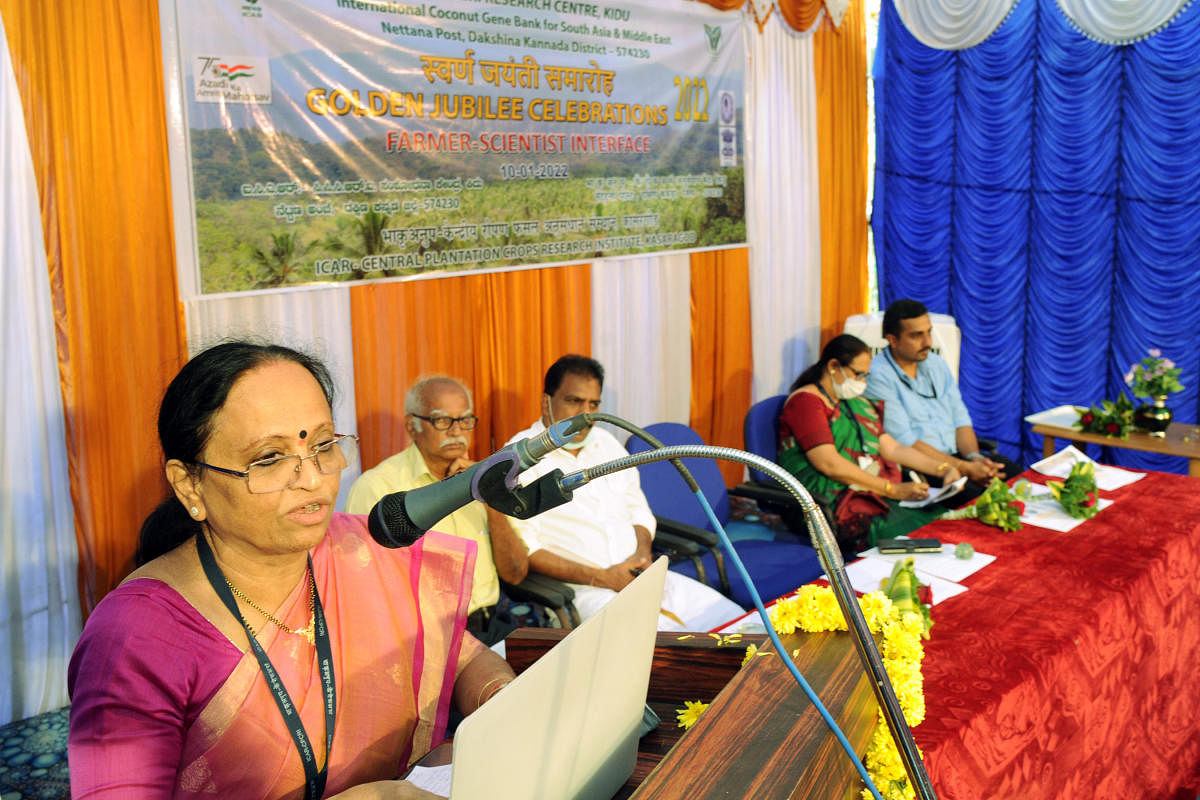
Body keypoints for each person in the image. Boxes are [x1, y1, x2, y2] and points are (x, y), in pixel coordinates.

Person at [68, 342, 515, 799]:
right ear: (189, 484)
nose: (312, 478)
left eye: (322, 445)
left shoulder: (357, 550)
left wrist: (499, 696)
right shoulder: (135, 637)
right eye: (269, 458)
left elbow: (460, 654)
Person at [501, 355, 745, 632]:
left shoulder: (606, 444)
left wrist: (642, 553)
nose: (586, 416)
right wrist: (603, 578)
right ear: (546, 402)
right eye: (574, 401)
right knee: (673, 650)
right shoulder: (518, 461)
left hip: (640, 574)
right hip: (587, 590)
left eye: (593, 404)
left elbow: (637, 509)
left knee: (739, 622)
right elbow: (528, 551)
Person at [345, 375, 529, 646]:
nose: (457, 431)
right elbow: (366, 592)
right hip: (428, 639)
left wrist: (491, 497)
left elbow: (515, 572)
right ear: (412, 425)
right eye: (443, 421)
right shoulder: (380, 488)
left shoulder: (480, 476)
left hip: (493, 624)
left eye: (465, 420)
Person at [778, 334, 964, 552]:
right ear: (833, 366)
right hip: (827, 501)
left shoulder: (855, 404)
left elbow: (892, 448)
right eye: (858, 375)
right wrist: (892, 489)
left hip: (866, 491)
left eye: (866, 376)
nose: (862, 383)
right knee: (912, 536)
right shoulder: (806, 403)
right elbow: (828, 463)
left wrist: (944, 468)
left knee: (938, 520)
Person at [865, 299, 1019, 498]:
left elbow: (961, 421)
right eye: (916, 336)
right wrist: (965, 468)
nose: (928, 342)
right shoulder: (878, 377)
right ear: (893, 340)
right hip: (925, 468)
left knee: (1021, 480)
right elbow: (906, 442)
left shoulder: (936, 364)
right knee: (982, 502)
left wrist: (975, 458)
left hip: (961, 458)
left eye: (928, 332)